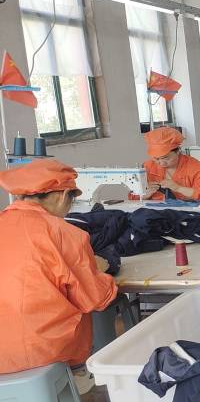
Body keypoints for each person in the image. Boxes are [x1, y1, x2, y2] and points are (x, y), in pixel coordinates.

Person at [0, 159, 118, 375]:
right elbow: (96, 299)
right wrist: (99, 269)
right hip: (42, 351)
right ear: (63, 195)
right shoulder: (64, 233)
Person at [142, 127, 200, 201]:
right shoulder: (148, 167)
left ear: (178, 151)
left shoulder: (194, 167)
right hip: (157, 208)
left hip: (189, 209)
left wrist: (179, 188)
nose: (161, 163)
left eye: (166, 158)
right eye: (156, 158)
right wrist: (146, 195)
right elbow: (136, 196)